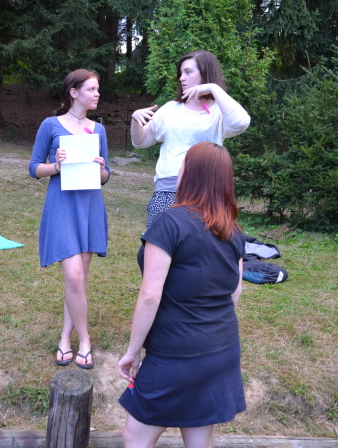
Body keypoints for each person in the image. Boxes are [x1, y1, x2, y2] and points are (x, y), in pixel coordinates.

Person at [117, 142, 246, 448]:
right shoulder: (233, 229)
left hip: (175, 354)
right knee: (198, 437)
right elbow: (235, 293)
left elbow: (150, 296)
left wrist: (132, 352)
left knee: (135, 437)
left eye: (184, 163)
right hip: (222, 349)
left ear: (190, 173)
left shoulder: (169, 223)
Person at [28, 69, 111, 370]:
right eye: (91, 89)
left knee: (78, 279)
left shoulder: (98, 130)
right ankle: (85, 340)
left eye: (97, 89)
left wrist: (101, 169)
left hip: (89, 207)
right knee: (74, 277)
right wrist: (56, 167)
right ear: (74, 92)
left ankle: (66, 336)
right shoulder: (50, 125)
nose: (97, 94)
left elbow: (106, 176)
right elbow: (34, 168)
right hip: (62, 206)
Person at [131, 50, 250, 229]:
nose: (181, 78)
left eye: (188, 72)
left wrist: (213, 88)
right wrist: (135, 120)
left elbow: (241, 123)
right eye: (181, 73)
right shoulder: (170, 109)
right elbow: (140, 142)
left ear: (205, 74)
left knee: (199, 243)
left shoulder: (219, 111)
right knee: (159, 241)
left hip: (205, 192)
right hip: (167, 190)